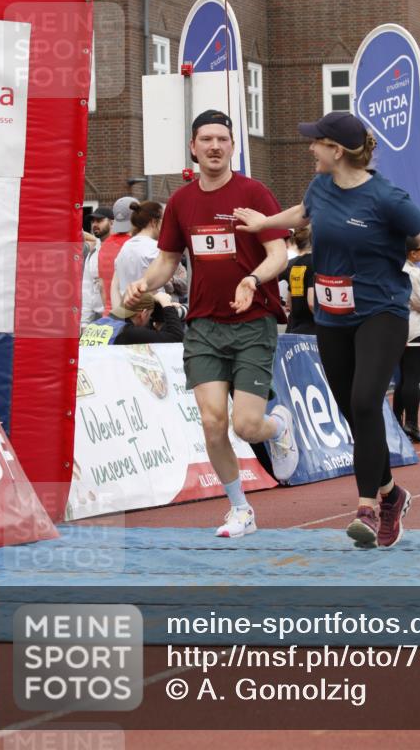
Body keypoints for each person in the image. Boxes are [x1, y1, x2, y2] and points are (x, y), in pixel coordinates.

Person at [235, 110, 420, 549]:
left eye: (316, 142)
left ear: (336, 150)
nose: (310, 148)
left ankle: (367, 508)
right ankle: (392, 494)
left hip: (381, 312)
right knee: (354, 412)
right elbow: (303, 214)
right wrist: (264, 223)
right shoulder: (320, 186)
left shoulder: (386, 197)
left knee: (365, 401)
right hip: (331, 316)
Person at [124, 109, 297, 538]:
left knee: (246, 426)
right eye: (206, 139)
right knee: (212, 421)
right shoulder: (182, 202)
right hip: (204, 326)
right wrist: (144, 284)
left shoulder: (253, 193)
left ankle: (278, 426)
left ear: (233, 146)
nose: (215, 146)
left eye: (222, 139)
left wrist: (252, 279)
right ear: (193, 147)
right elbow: (168, 261)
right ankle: (240, 509)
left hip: (252, 321)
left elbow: (278, 254)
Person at [392, 237, 420, 442]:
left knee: (403, 378)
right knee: (413, 378)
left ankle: (398, 422)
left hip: (400, 328)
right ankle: (411, 423)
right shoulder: (413, 272)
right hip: (416, 329)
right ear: (412, 253)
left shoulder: (395, 269)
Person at [80, 291, 184, 346]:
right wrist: (167, 305)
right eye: (150, 315)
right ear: (144, 314)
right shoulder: (128, 333)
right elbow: (176, 338)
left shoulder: (96, 324)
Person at [114, 200, 164, 298]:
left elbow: (116, 286)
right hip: (154, 305)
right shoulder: (156, 248)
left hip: (127, 304)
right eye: (163, 219)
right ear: (154, 222)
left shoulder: (125, 247)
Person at [97, 197, 134, 314]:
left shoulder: (104, 246)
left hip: (109, 314)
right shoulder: (134, 245)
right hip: (131, 316)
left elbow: (101, 286)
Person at [81, 207, 113, 326]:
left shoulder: (123, 248)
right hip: (98, 319)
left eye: (99, 221)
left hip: (121, 317)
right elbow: (87, 289)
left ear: (112, 222)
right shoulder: (93, 254)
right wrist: (84, 323)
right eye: (93, 221)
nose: (95, 224)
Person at [283, 225, 316, 335]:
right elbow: (312, 303)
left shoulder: (294, 264)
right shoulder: (315, 264)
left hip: (296, 326)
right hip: (312, 328)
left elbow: (289, 301)